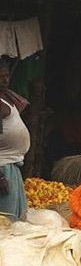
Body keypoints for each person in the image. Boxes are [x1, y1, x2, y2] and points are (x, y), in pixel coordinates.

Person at [0, 61, 29, 220]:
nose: (5, 80)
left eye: (6, 76)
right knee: (5, 220)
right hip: (2, 167)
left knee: (15, 219)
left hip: (12, 166)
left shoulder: (8, 98)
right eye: (1, 77)